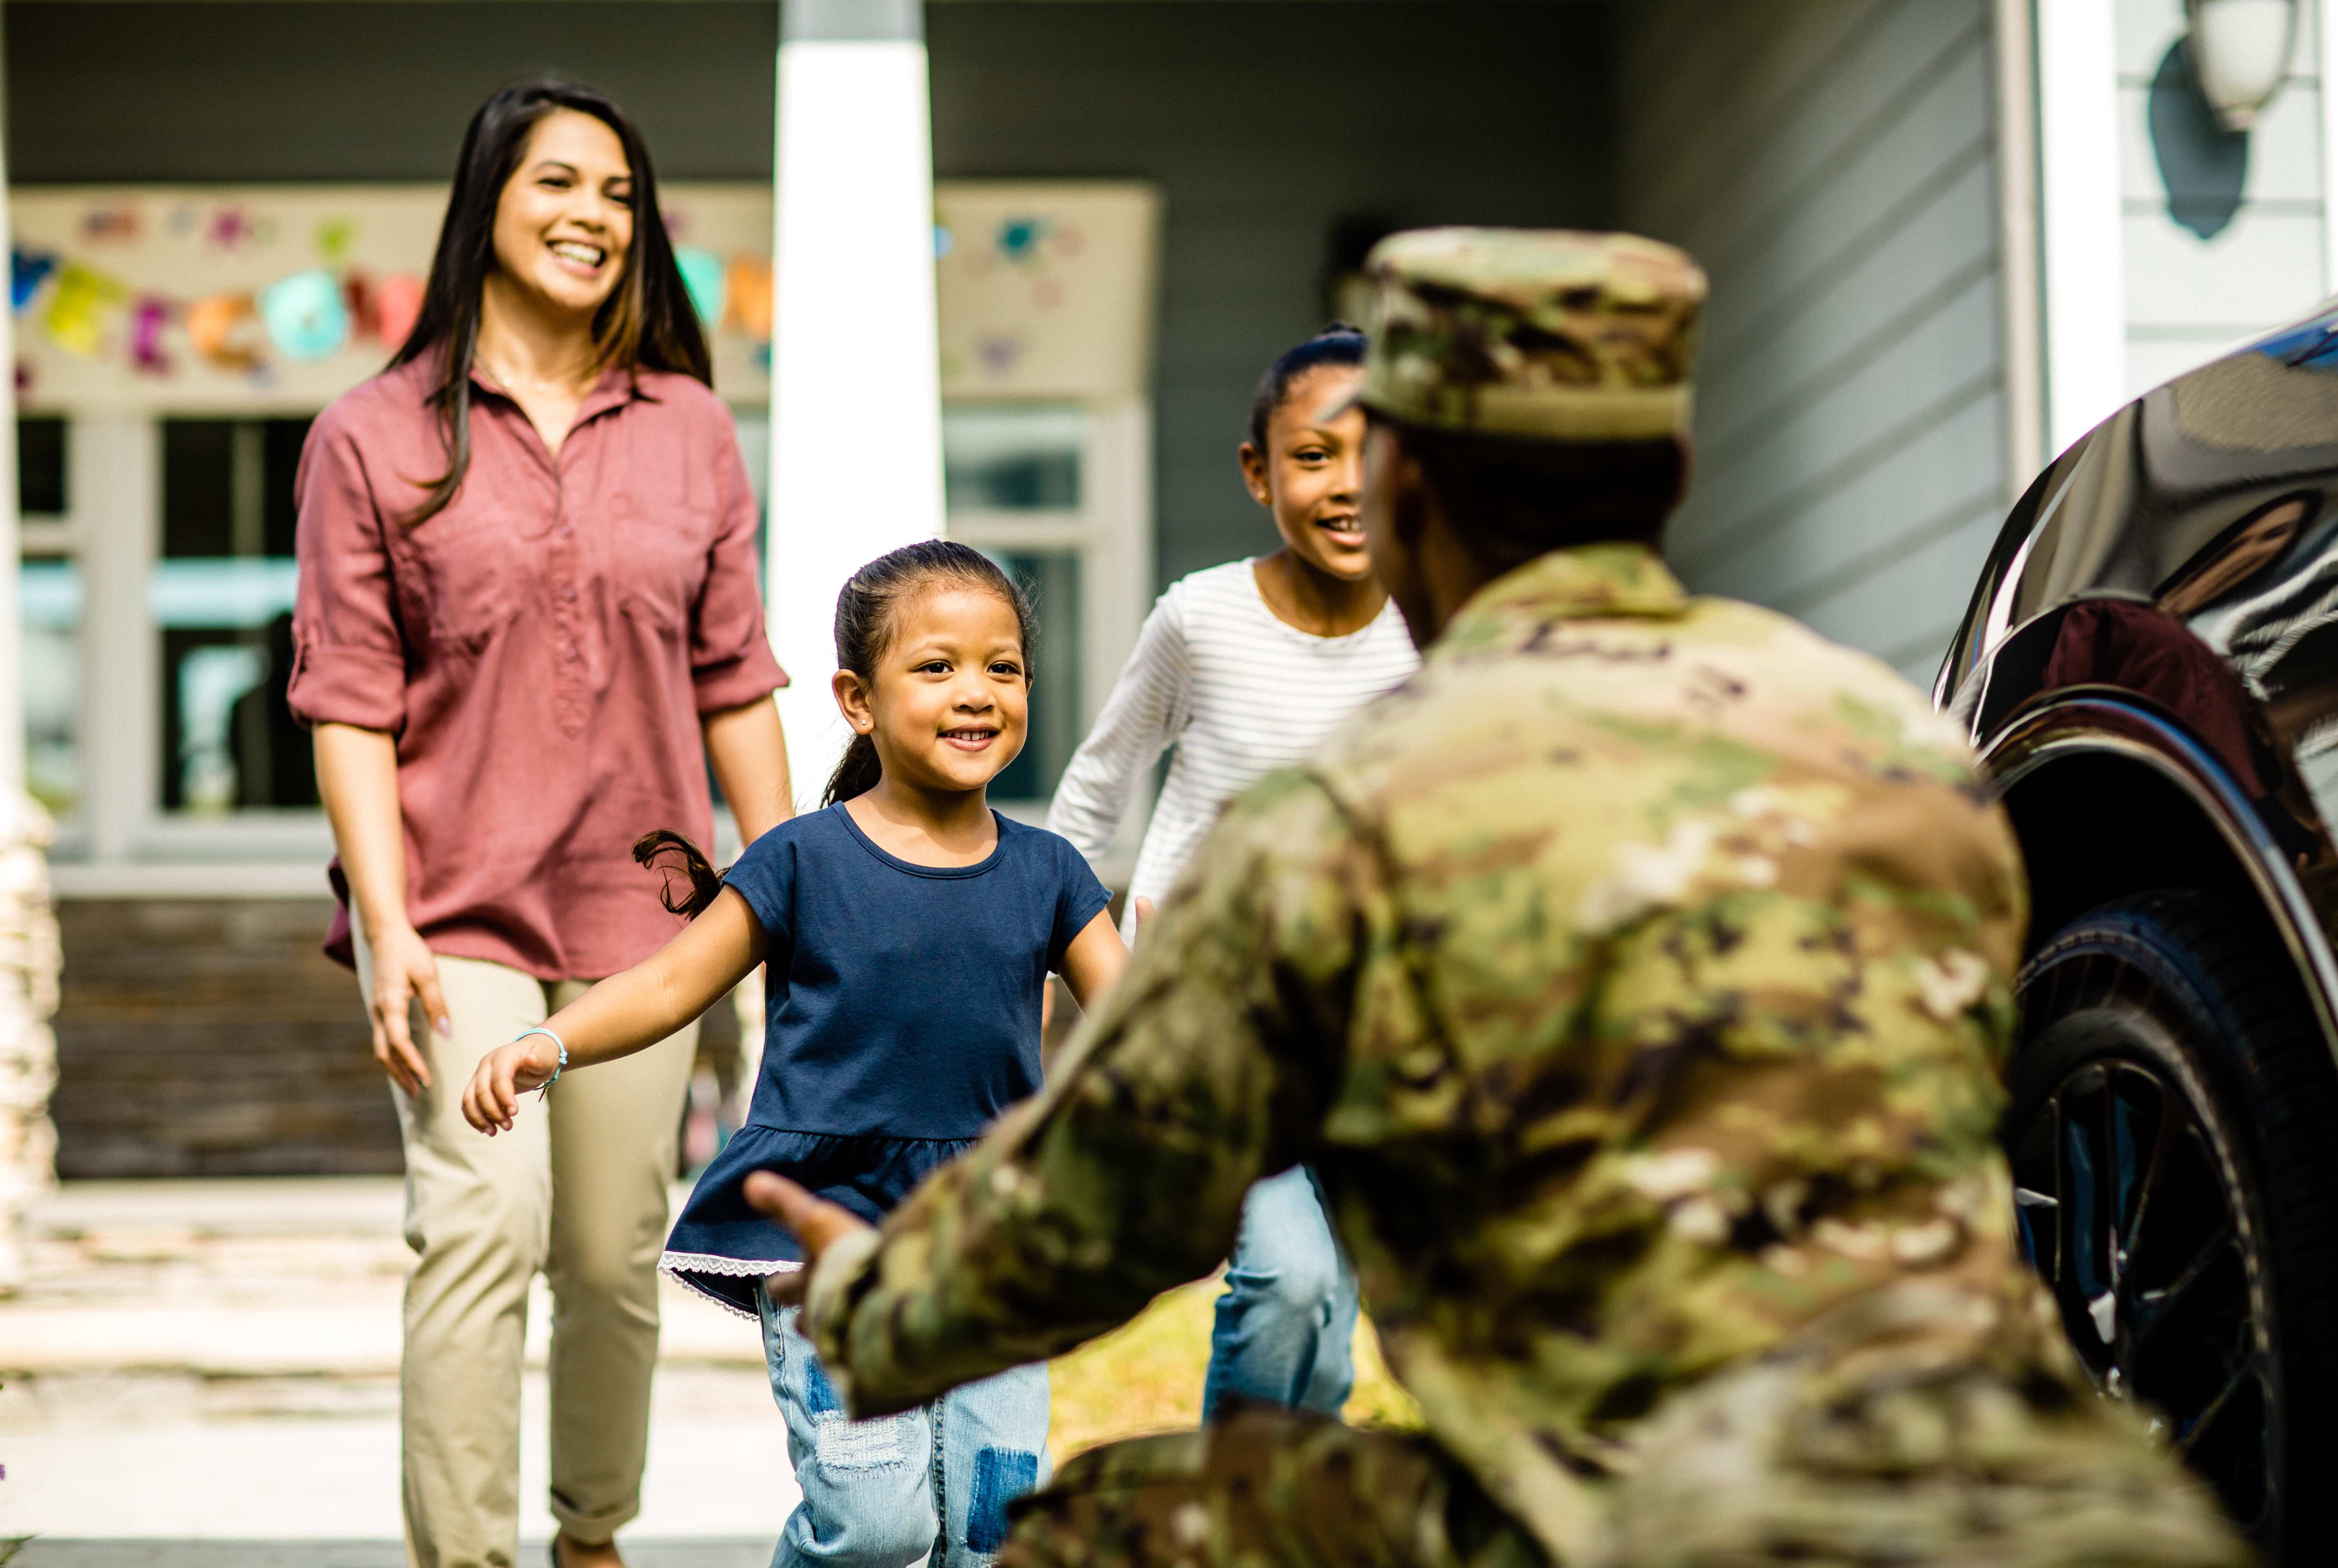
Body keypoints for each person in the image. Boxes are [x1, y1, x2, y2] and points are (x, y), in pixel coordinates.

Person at [737, 229, 2252, 1568]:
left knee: (1108, 1531)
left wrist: (880, 1305)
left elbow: (1107, 1211)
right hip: (2060, 1508)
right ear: (1668, 474)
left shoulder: (1353, 814)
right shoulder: (1904, 752)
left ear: (1403, 487)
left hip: (1635, 1517)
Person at [291, 81, 792, 1568]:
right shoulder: (373, 436)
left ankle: (592, 1540)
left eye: (621, 193)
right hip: (457, 919)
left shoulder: (691, 427)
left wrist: (792, 903)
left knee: (612, 1257)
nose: (593, 216)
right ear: (489, 205)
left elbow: (737, 682)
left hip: (654, 920)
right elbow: (348, 703)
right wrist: (386, 929)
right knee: (482, 1228)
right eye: (560, 183)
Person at [462, 541, 1132, 1568]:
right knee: (874, 1524)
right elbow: (669, 983)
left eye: (1004, 668)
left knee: (992, 1531)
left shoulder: (1050, 871)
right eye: (938, 666)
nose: (978, 693)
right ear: (858, 701)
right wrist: (550, 1042)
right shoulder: (801, 861)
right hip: (826, 1229)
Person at [1045, 323, 1417, 1420]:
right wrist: (1069, 981)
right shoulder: (1202, 620)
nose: (1348, 485)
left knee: (1334, 1333)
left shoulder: (1438, 629)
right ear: (1260, 474)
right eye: (1314, 456)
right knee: (1286, 1279)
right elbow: (1094, 793)